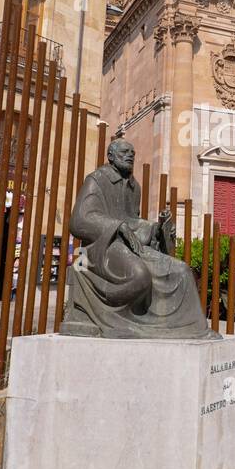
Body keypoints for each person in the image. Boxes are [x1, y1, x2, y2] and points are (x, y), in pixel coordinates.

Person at [61, 138, 213, 339]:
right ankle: (118, 320)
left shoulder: (135, 187)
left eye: (132, 152)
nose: (130, 155)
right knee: (139, 276)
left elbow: (133, 221)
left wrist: (157, 228)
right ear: (111, 156)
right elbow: (79, 220)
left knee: (181, 270)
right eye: (124, 151)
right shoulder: (96, 180)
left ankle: (191, 329)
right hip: (101, 247)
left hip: (127, 247)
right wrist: (117, 226)